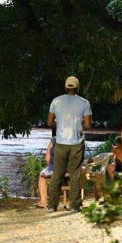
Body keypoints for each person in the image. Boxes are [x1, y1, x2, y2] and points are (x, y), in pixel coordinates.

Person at [47, 76, 92, 213]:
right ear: (78, 87)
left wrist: (60, 124)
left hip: (60, 142)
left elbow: (49, 123)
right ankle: (74, 206)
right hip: (76, 143)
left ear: (66, 87)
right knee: (75, 174)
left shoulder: (56, 101)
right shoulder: (84, 102)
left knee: (57, 174)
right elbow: (88, 125)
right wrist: (79, 125)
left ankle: (52, 206)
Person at [37, 132, 56, 208]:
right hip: (71, 169)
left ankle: (43, 202)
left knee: (42, 175)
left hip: (54, 169)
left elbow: (47, 159)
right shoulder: (77, 138)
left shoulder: (54, 139)